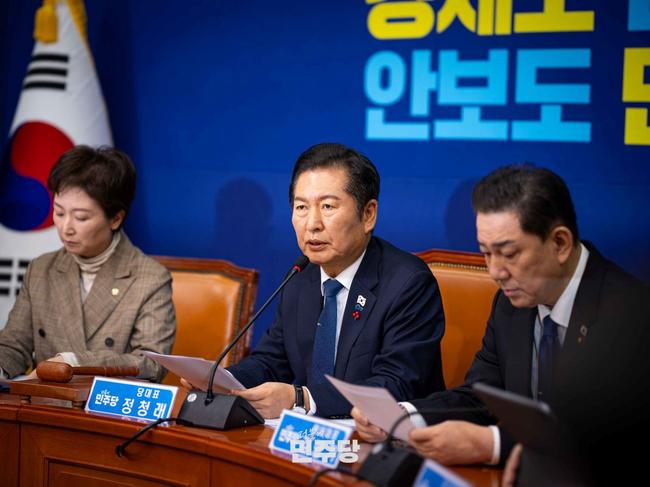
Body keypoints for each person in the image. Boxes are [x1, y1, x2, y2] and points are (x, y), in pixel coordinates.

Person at [352, 165, 650, 482]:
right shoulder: (509, 304)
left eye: (509, 254)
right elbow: (480, 397)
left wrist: (492, 444)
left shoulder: (630, 314)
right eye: (486, 253)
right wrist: (402, 417)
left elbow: (611, 439)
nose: (495, 272)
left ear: (560, 243)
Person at [224, 143, 445, 418]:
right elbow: (271, 361)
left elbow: (396, 384)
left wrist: (302, 399)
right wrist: (222, 381)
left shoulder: (408, 283)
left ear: (368, 214)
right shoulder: (300, 277)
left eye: (327, 206)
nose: (312, 224)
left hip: (385, 436)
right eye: (301, 207)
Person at [0, 146, 176, 382]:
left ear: (116, 219)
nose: (66, 228)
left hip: (105, 403)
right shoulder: (41, 270)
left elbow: (152, 363)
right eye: (59, 213)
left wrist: (74, 362)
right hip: (46, 400)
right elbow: (13, 345)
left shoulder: (150, 279)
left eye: (81, 217)